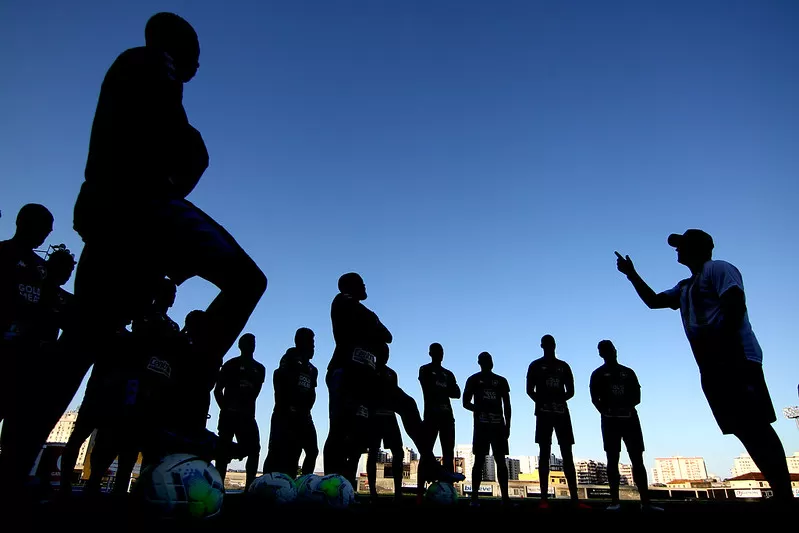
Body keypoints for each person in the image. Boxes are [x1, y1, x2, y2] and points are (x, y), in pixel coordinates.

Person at [68, 10, 267, 450]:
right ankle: (185, 406)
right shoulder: (156, 66)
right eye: (197, 58)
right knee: (247, 280)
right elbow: (185, 148)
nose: (197, 68)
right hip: (143, 207)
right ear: (184, 51)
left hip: (110, 213)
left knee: (83, 338)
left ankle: (15, 466)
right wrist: (180, 171)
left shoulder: (131, 72)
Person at [615, 230, 793, 504]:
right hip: (711, 366)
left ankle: (783, 495)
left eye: (681, 246)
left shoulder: (718, 269)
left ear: (697, 248)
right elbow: (654, 302)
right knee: (743, 429)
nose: (677, 251)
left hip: (735, 359)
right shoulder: (686, 286)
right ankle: (780, 493)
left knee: (756, 425)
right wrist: (631, 275)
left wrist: (725, 352)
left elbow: (734, 305)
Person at [324, 273, 464, 488]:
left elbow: (387, 336)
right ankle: (333, 482)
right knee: (342, 430)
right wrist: (374, 328)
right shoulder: (342, 300)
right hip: (345, 374)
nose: (364, 285)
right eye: (360, 283)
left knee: (407, 404)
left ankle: (428, 460)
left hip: (369, 377)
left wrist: (373, 331)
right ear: (349, 286)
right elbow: (374, 327)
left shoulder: (361, 313)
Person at [0, 205, 53, 502]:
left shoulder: (42, 268)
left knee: (18, 421)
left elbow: (49, 307)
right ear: (24, 223)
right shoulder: (4, 254)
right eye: (45, 225)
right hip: (5, 348)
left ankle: (9, 479)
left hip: (28, 357)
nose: (48, 233)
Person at [590, 340, 662, 512]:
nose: (609, 352)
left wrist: (625, 407)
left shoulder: (628, 372)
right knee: (612, 458)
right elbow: (594, 398)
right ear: (600, 354)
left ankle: (646, 502)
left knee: (637, 459)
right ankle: (615, 501)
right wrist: (606, 412)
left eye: (610, 349)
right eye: (604, 350)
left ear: (615, 350)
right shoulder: (598, 374)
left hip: (630, 419)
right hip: (610, 421)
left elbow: (637, 397)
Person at [526, 335, 589, 510]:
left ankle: (575, 499)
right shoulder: (535, 365)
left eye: (550, 343)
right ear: (542, 346)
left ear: (554, 345)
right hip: (544, 413)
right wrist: (543, 402)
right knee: (544, 452)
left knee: (567, 452)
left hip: (561, 413)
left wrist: (558, 400)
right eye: (545, 344)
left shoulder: (563, 366)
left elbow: (571, 391)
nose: (548, 346)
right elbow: (529, 390)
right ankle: (544, 498)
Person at [263, 328, 319, 477]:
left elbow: (312, 391)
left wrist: (306, 408)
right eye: (311, 342)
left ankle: (304, 482)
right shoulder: (289, 358)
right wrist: (287, 407)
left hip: (305, 416)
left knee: (312, 451)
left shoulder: (313, 370)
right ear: (301, 342)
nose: (313, 346)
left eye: (314, 342)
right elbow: (279, 381)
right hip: (286, 415)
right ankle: (267, 480)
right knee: (280, 451)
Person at [214, 333, 265, 489]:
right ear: (241, 345)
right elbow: (217, 390)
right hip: (229, 415)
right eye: (248, 342)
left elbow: (255, 393)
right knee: (222, 452)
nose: (251, 345)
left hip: (248, 416)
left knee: (254, 449)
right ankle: (218, 486)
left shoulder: (259, 369)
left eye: (253, 342)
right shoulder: (230, 365)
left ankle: (250, 486)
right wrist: (226, 408)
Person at [463, 352, 512, 507]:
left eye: (489, 360)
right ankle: (474, 498)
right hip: (482, 426)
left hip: (498, 426)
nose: (488, 362)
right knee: (478, 461)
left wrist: (507, 426)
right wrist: (479, 409)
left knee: (501, 461)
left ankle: (505, 499)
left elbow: (507, 405)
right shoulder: (473, 380)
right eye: (484, 360)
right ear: (479, 362)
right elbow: (465, 402)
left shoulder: (501, 381)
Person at [417, 342, 460, 500]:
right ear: (430, 353)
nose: (439, 354)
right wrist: (444, 388)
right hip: (431, 416)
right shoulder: (425, 369)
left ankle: (448, 492)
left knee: (448, 453)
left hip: (447, 416)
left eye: (441, 351)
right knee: (426, 452)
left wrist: (442, 388)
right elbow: (429, 387)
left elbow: (457, 392)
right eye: (436, 351)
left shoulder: (448, 373)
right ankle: (420, 493)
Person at [366, 346, 404, 503]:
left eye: (387, 353)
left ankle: (398, 493)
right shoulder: (369, 371)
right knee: (373, 452)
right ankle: (373, 492)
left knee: (398, 452)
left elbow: (396, 395)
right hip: (374, 417)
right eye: (382, 353)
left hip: (390, 416)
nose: (385, 356)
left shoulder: (392, 374)